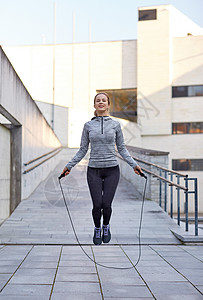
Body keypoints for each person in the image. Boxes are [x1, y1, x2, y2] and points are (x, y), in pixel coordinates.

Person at [60, 92, 142, 245]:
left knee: (107, 204)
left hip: (112, 170)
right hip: (94, 170)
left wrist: (134, 165)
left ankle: (106, 226)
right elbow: (83, 149)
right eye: (98, 101)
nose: (101, 102)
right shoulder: (88, 126)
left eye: (104, 100)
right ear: (94, 105)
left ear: (108, 104)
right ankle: (97, 228)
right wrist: (69, 166)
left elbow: (122, 148)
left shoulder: (115, 125)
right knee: (97, 204)